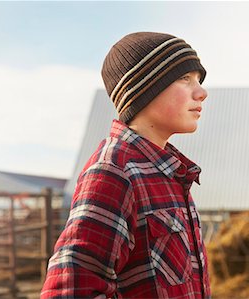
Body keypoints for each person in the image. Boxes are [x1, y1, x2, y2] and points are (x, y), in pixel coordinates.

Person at [41, 31, 211, 299]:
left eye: (199, 81)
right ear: (145, 89)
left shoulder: (172, 173)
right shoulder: (114, 171)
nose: (201, 92)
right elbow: (69, 290)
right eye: (184, 79)